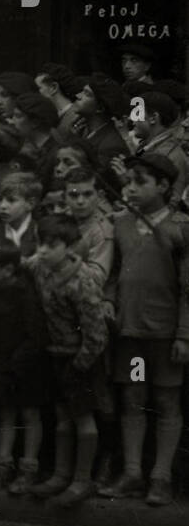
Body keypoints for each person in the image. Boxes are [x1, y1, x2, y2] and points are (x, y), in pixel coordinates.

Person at [100, 154, 188, 507]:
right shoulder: (119, 223)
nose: (131, 188)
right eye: (129, 182)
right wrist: (108, 300)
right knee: (133, 399)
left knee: (167, 400)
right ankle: (133, 473)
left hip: (165, 334)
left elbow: (187, 289)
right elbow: (112, 272)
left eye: (141, 182)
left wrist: (184, 334)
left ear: (165, 187)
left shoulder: (180, 228)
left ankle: (161, 478)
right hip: (130, 332)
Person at [27, 215, 110, 507]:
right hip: (56, 353)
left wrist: (79, 365)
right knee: (62, 416)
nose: (43, 250)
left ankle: (82, 480)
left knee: (83, 418)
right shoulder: (40, 267)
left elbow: (96, 335)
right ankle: (61, 475)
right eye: (40, 243)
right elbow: (22, 263)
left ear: (70, 247)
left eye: (52, 245)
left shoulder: (82, 281)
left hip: (80, 358)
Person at [0, 244, 47, 495]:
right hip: (3, 364)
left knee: (29, 416)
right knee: (6, 413)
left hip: (25, 366)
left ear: (7, 270)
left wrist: (16, 364)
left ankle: (28, 470)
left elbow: (36, 335)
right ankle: (3, 465)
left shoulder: (25, 294)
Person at [127, 90, 188, 210]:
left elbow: (171, 205)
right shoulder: (145, 146)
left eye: (136, 114)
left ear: (153, 118)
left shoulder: (170, 156)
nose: (132, 120)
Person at [0, 172, 42, 264]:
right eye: (0, 200)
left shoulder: (41, 232)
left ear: (30, 204)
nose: (3, 206)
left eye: (11, 200)